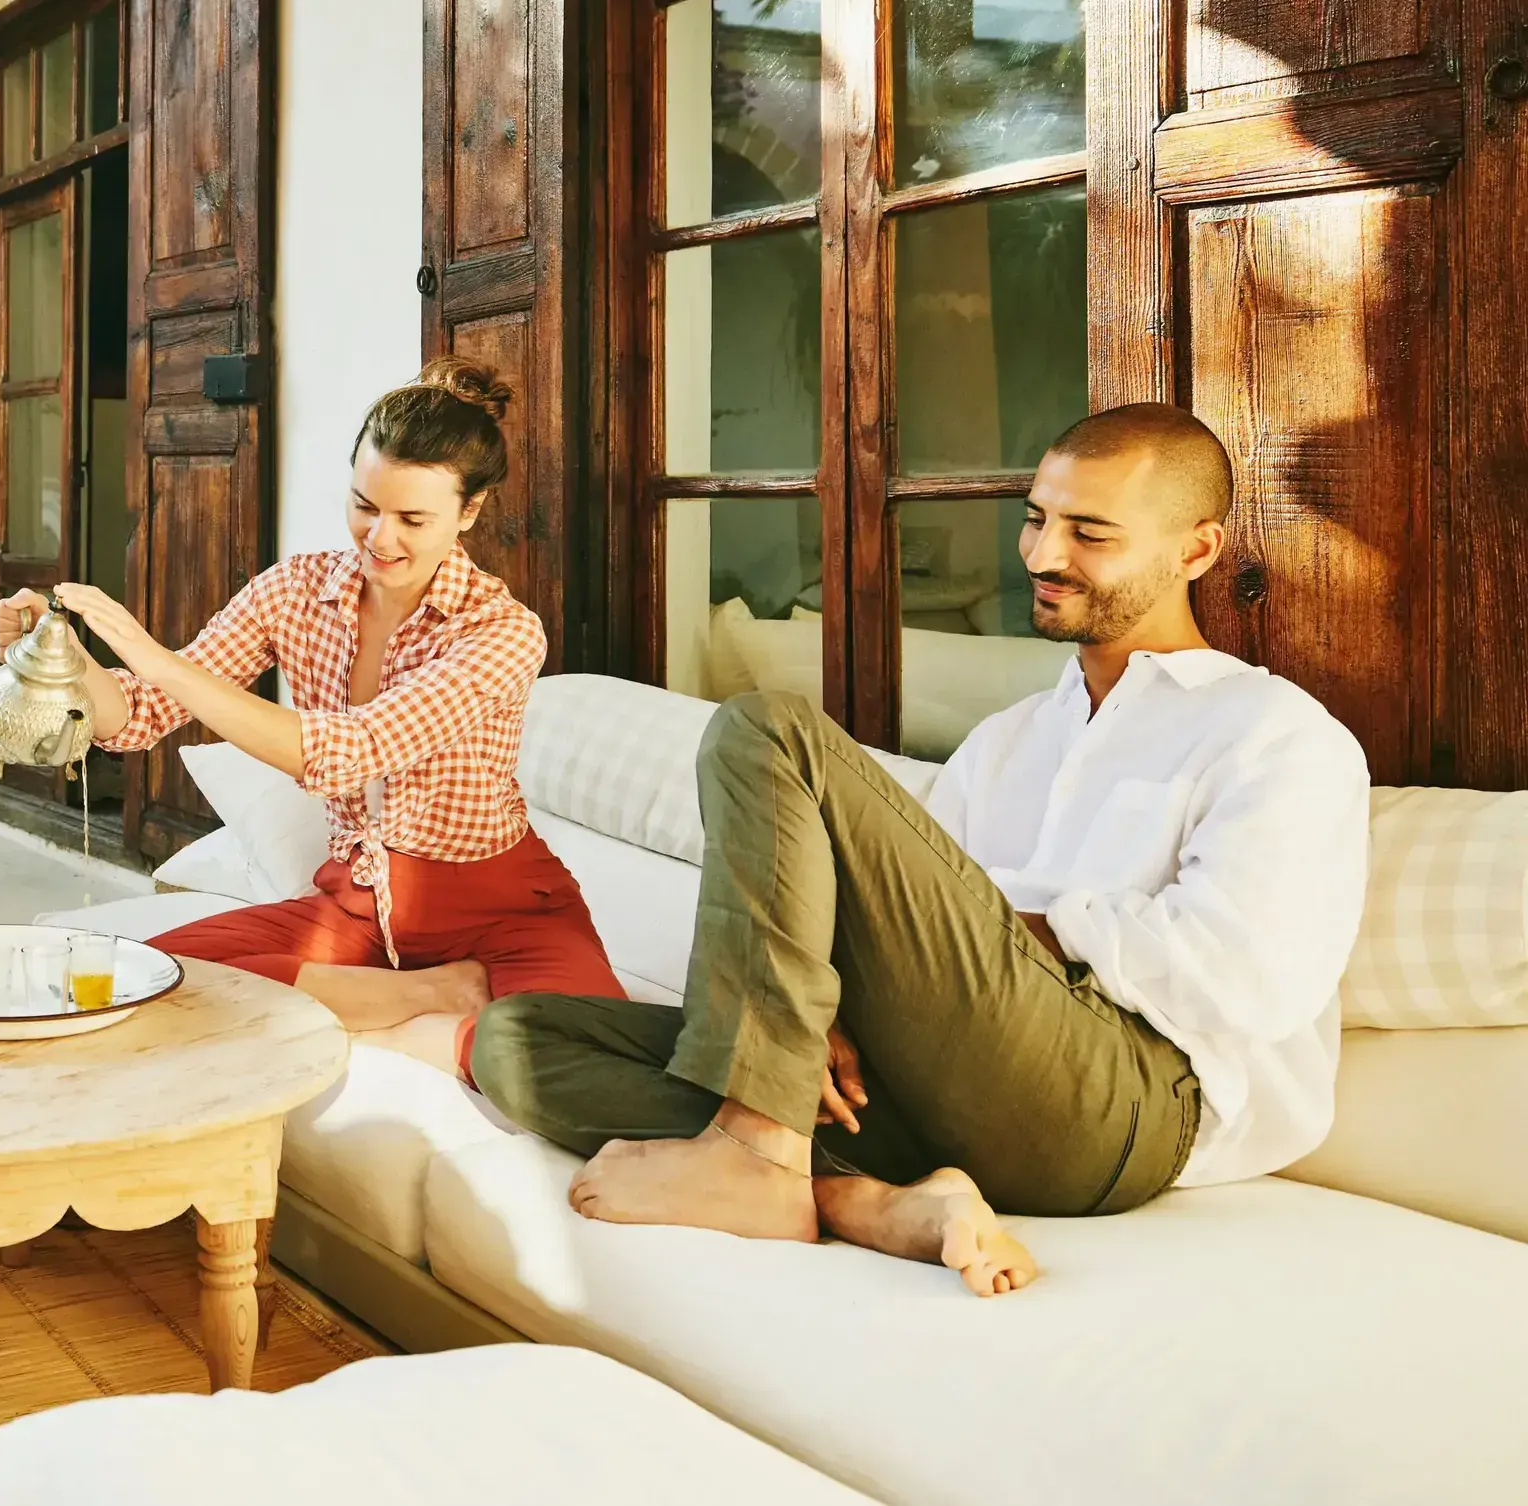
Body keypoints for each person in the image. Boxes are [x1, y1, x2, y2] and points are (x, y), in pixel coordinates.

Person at [464, 404, 1371, 1297]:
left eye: (1090, 533)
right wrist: (823, 1020)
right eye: (1036, 520)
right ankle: (865, 1204)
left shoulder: (1273, 733)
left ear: (1196, 551)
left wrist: (1023, 933)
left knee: (768, 730)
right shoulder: (1008, 741)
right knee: (523, 1042)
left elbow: (1252, 977)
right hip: (942, 1099)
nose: (1045, 557)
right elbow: (920, 947)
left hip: (1125, 1107)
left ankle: (752, 1147)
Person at [0, 358, 622, 1079]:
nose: (380, 538)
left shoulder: (501, 633)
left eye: (413, 519)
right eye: (364, 505)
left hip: (504, 911)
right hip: (358, 908)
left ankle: (399, 1035)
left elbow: (354, 748)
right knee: (154, 980)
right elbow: (138, 713)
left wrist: (159, 657)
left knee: (582, 1056)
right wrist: (63, 661)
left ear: (469, 512)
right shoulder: (295, 592)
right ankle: (431, 994)